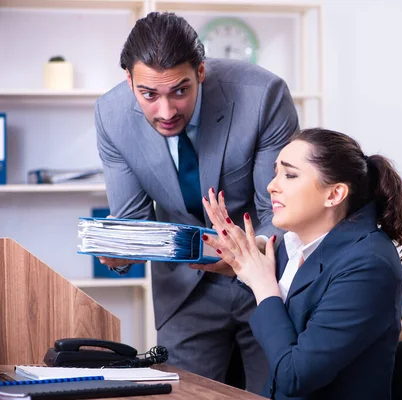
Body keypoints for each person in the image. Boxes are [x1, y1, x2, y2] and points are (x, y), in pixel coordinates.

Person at [93, 11, 299, 393]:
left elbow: (279, 211)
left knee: (275, 392)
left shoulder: (262, 96)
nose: (166, 112)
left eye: (180, 91)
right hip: (183, 287)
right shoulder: (111, 115)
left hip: (263, 276)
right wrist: (122, 250)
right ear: (130, 81)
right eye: (149, 94)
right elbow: (134, 220)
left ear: (200, 71)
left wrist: (243, 256)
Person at [198, 128, 402, 399]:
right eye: (276, 173)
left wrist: (264, 286)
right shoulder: (292, 247)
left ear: (334, 195)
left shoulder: (369, 264)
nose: (271, 186)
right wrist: (243, 264)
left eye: (289, 175)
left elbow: (294, 376)